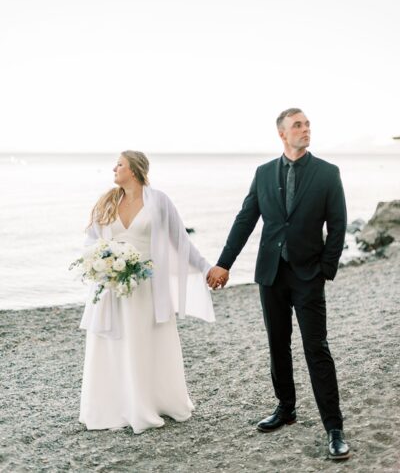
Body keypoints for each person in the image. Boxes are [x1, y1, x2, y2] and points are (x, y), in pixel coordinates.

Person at [207, 108, 350, 460]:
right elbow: (245, 220)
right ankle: (286, 408)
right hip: (271, 273)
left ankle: (334, 427)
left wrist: (325, 270)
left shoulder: (327, 173)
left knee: (317, 348)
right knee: (277, 344)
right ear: (282, 134)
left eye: (307, 124)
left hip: (307, 275)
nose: (305, 129)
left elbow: (338, 224)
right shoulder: (263, 173)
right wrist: (224, 263)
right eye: (297, 125)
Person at [79, 150, 215, 434]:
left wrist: (205, 268)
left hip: (147, 288)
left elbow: (181, 241)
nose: (114, 169)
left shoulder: (159, 201)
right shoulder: (107, 201)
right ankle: (115, 405)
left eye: (120, 165)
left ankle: (151, 402)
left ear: (135, 169)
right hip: (113, 288)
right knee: (114, 345)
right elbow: (91, 241)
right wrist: (101, 264)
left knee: (144, 344)